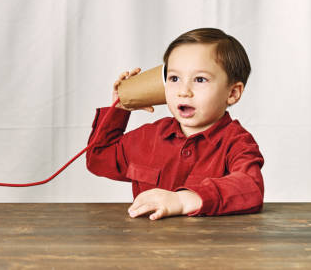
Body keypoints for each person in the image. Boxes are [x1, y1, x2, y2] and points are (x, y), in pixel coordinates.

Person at [86, 28, 263, 220]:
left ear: (232, 93)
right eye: (174, 78)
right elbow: (98, 159)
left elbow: (251, 187)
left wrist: (183, 200)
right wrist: (118, 109)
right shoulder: (150, 136)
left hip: (211, 246)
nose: (183, 91)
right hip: (149, 246)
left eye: (200, 79)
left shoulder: (237, 142)